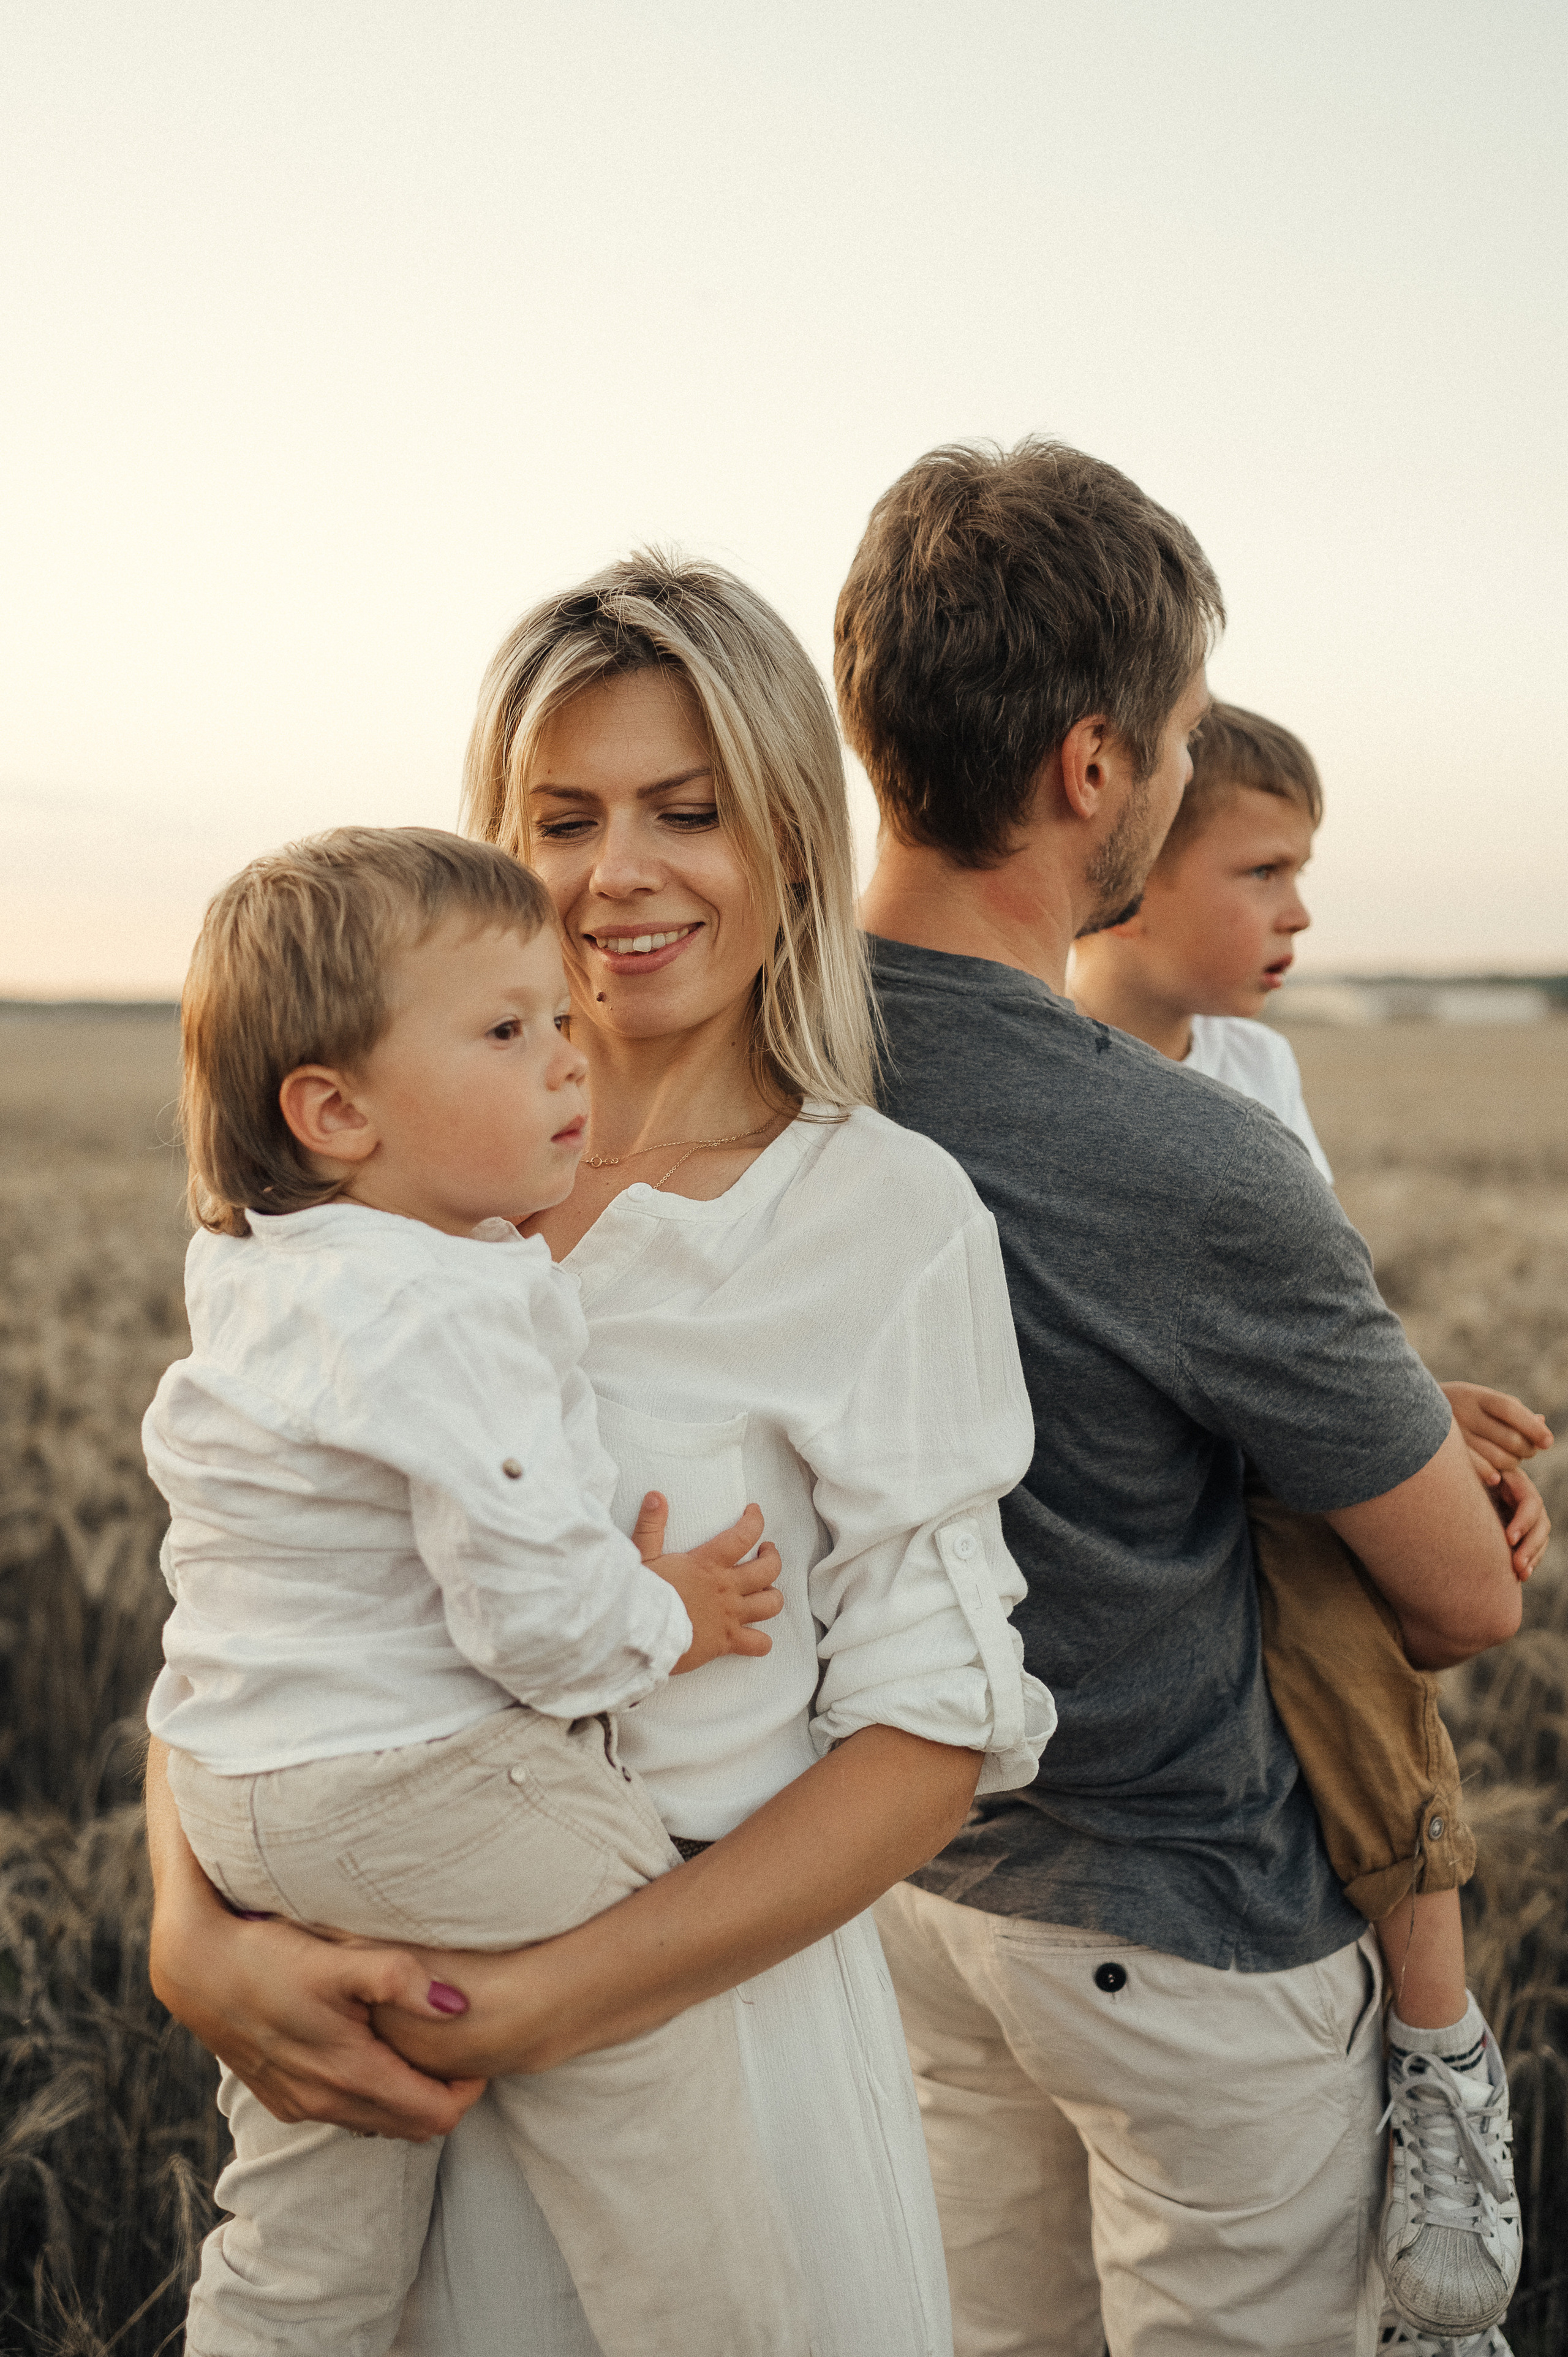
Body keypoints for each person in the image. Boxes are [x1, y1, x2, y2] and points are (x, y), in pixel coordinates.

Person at [143, 554, 1056, 2357]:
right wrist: (196, 1944)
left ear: (789, 838)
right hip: (379, 2080)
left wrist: (546, 1999)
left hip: (704, 2075)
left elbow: (928, 1741)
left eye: (687, 811)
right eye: (562, 816)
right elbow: (250, 1602)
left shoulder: (882, 1217)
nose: (619, 871)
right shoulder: (372, 1210)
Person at [835, 438, 1526, 2357]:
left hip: (905, 1900)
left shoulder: (749, 1069)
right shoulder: (1187, 1154)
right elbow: (1464, 1603)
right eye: (1181, 730)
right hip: (1184, 1924)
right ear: (1093, 767)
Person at [145, 823, 815, 2356]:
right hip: (424, 1789)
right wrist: (668, 1612)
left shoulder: (269, 1272)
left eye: (560, 1024)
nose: (565, 1064)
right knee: (662, 2132)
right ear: (332, 1109)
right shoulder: (447, 1302)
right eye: (509, 1033)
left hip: (243, 1802)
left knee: (312, 2210)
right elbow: (536, 1622)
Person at [1071, 702, 1551, 2350]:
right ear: (1124, 869)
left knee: (1368, 1603)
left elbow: (1317, 1319)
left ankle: (1439, 2057)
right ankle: (1438, 2026)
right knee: (1360, 1618)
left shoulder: (1259, 1067)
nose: (1301, 915)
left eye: (1307, 873)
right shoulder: (1054, 1076)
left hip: (1279, 1461)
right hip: (1167, 1503)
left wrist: (1429, 1409)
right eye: (1264, 870)